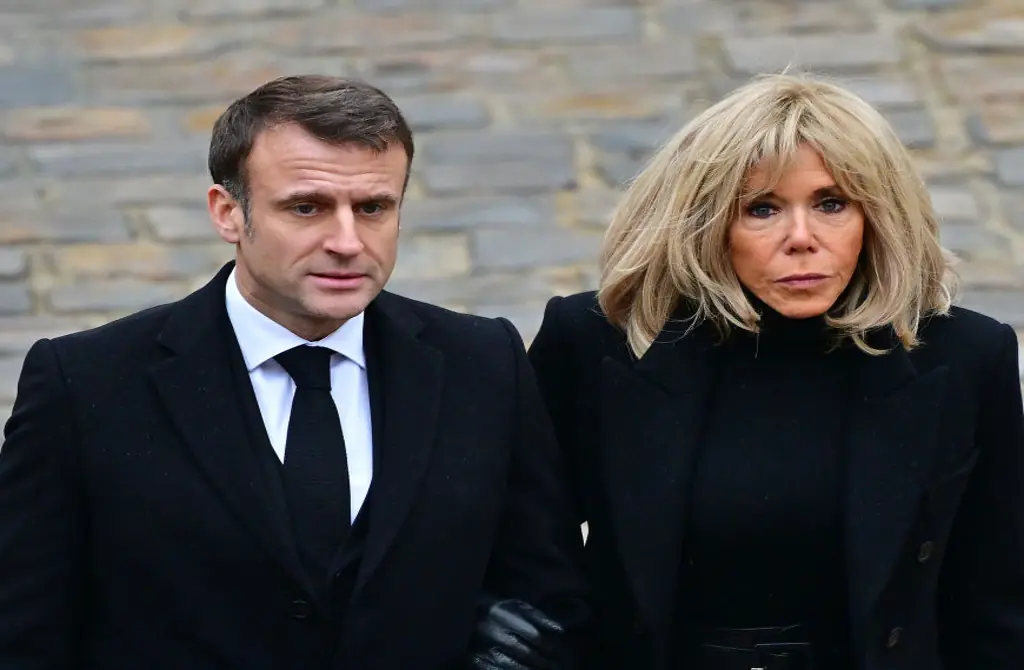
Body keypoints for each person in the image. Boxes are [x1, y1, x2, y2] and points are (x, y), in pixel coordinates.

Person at [0, 74, 587, 670]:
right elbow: (23, 630)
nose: (347, 241)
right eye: (306, 207)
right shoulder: (86, 383)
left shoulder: (483, 364)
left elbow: (550, 597)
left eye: (373, 208)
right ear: (228, 213)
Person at [522, 73, 1024, 669]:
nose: (801, 239)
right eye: (762, 209)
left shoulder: (964, 355)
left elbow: (996, 603)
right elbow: (518, 542)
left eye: (832, 204)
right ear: (706, 224)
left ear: (877, 216)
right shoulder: (595, 342)